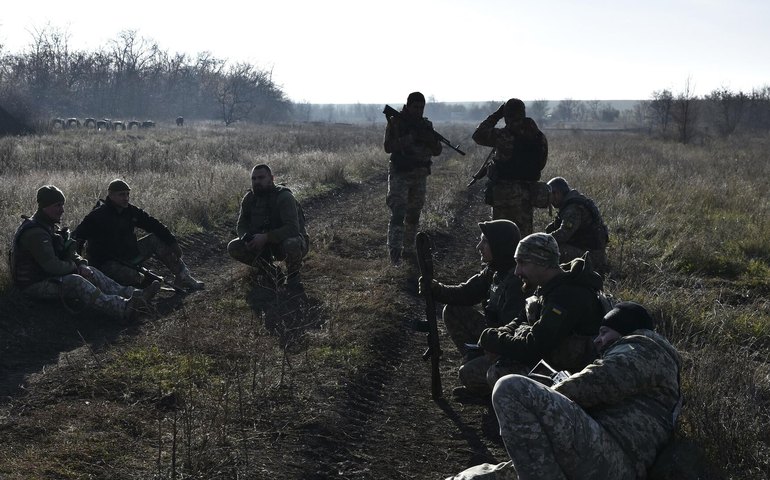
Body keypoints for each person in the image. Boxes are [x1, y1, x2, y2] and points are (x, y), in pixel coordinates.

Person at [446, 301, 681, 480]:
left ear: (625, 330)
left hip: (613, 458)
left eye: (604, 332)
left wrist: (548, 394)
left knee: (511, 388)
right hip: (600, 453)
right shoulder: (646, 356)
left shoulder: (644, 348)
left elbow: (591, 384)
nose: (598, 341)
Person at [457, 232, 605, 397]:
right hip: (546, 360)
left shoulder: (566, 295)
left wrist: (491, 340)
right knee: (469, 372)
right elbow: (521, 319)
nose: (517, 271)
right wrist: (500, 334)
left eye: (522, 263)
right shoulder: (547, 286)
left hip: (570, 374)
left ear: (542, 263)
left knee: (498, 374)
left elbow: (534, 346)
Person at [10, 185, 160, 320]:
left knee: (91, 271)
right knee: (76, 281)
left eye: (62, 205)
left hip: (48, 277)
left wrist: (81, 263)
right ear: (45, 207)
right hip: (33, 285)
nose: (62, 210)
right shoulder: (36, 233)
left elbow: (67, 252)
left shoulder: (48, 226)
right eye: (57, 205)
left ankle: (133, 295)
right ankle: (122, 308)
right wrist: (75, 268)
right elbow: (52, 266)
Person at [73, 179, 203, 290]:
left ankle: (184, 277)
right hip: (107, 264)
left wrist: (172, 242)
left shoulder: (131, 211)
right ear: (111, 195)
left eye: (127, 194)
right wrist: (80, 267)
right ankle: (140, 289)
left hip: (130, 256)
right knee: (133, 276)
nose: (126, 198)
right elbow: (76, 238)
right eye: (121, 195)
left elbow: (153, 224)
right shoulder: (97, 216)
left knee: (155, 239)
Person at [419, 220, 526, 356]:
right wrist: (436, 289)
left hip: (507, 341)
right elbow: (466, 293)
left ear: (500, 245)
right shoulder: (494, 270)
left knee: (471, 369)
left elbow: (514, 330)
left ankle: (482, 365)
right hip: (492, 333)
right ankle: (473, 357)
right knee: (453, 309)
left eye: (485, 242)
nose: (478, 247)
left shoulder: (518, 281)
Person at [471, 99, 548, 236]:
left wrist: (496, 115)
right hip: (527, 195)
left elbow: (478, 135)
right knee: (522, 239)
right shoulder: (539, 137)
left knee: (501, 238)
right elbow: (541, 164)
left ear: (506, 116)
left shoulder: (504, 136)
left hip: (503, 195)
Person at [383, 91, 443, 265]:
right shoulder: (396, 122)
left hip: (419, 175)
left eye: (421, 107)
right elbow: (388, 147)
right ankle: (395, 254)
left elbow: (437, 150)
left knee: (414, 215)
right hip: (400, 174)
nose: (418, 110)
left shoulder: (426, 125)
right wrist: (410, 138)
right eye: (415, 107)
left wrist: (429, 140)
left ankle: (408, 250)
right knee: (398, 213)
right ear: (408, 106)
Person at [227, 164, 309, 290]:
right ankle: (271, 271)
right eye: (254, 179)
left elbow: (293, 228)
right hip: (264, 244)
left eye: (261, 178)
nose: (257, 182)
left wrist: (266, 237)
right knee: (234, 246)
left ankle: (293, 276)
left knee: (291, 242)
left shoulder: (284, 197)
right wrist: (246, 238)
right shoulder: (249, 198)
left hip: (288, 243)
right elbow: (241, 224)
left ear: (271, 178)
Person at [545, 176, 610, 274]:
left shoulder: (573, 209)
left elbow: (563, 235)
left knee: (554, 250)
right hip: (587, 250)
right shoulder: (571, 203)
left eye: (550, 196)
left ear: (557, 193)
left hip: (592, 256)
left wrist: (543, 241)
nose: (549, 201)